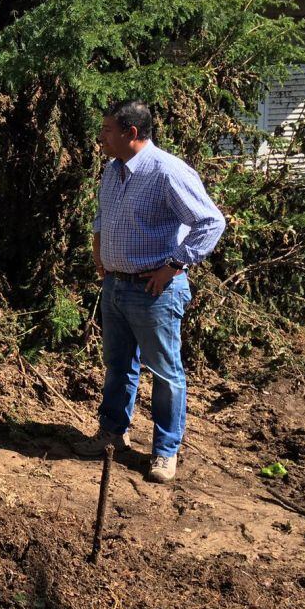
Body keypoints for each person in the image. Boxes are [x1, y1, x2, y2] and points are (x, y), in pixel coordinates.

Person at [78, 100, 225, 484]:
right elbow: (103, 219)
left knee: (165, 371)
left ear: (130, 133)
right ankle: (112, 435)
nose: (101, 138)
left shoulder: (166, 171)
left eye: (107, 130)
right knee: (118, 366)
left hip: (154, 290)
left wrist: (174, 266)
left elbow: (210, 223)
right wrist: (101, 260)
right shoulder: (113, 172)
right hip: (115, 285)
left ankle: (164, 452)